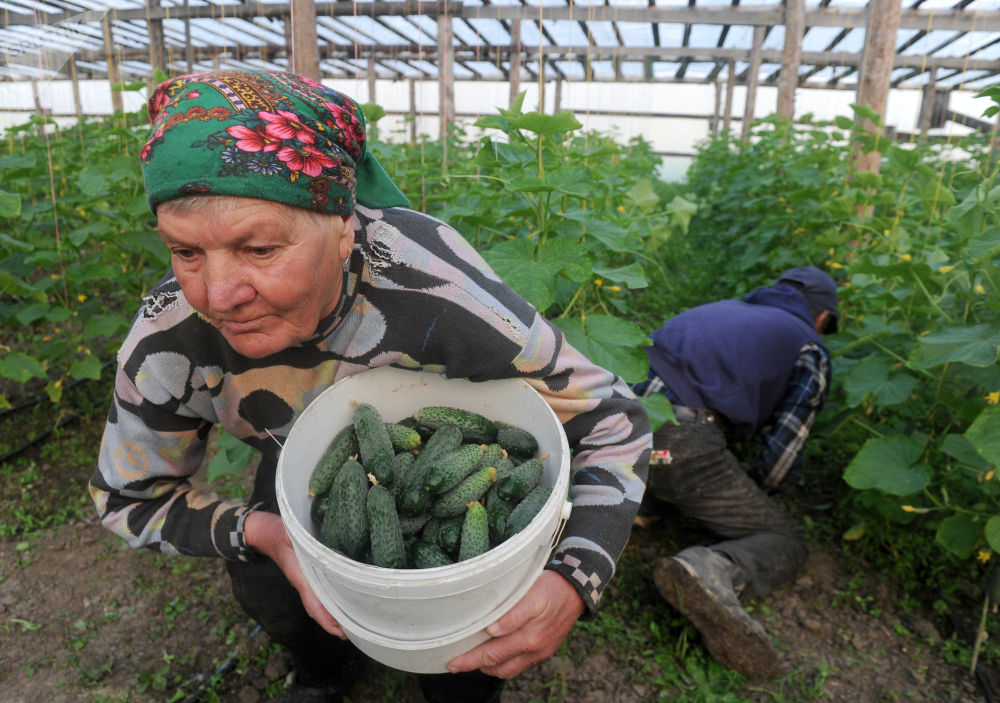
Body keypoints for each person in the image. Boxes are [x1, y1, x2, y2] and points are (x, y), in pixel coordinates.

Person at [88, 69, 651, 703]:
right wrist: (269, 533)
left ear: (344, 229)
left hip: (421, 441)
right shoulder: (169, 338)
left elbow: (612, 421)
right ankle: (324, 669)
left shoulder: (439, 293)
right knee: (268, 583)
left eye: (261, 249)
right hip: (298, 447)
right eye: (186, 253)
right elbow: (125, 498)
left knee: (467, 644)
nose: (219, 295)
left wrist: (574, 579)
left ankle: (454, 686)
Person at [632, 266, 838, 679]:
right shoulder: (809, 349)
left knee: (674, 464)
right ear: (821, 317)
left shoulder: (722, 311)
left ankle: (640, 500)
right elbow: (781, 458)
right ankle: (710, 569)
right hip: (679, 443)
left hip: (611, 427)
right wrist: (752, 487)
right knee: (786, 541)